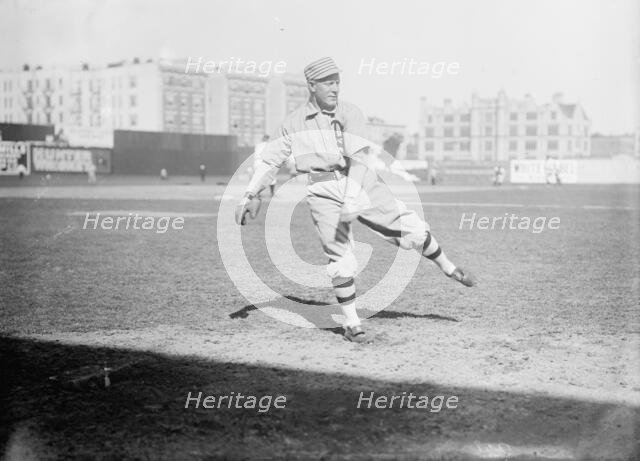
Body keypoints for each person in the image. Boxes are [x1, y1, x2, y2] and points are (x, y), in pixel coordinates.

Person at [235, 57, 475, 343]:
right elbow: (269, 161)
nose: (335, 88)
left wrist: (352, 197)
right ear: (311, 86)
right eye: (328, 82)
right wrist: (249, 194)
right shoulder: (293, 123)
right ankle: (351, 323)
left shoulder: (350, 112)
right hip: (322, 191)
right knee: (339, 258)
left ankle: (449, 268)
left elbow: (359, 157)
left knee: (412, 228)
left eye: (338, 82)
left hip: (360, 181)